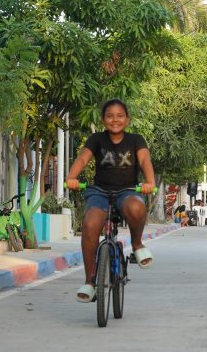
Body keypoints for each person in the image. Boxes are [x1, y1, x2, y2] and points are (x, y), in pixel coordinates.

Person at [65, 99, 156, 303]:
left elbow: (144, 160)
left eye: (120, 115)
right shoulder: (96, 139)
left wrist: (150, 182)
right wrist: (71, 177)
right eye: (110, 116)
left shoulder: (136, 139)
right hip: (99, 191)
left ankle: (137, 244)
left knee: (136, 206)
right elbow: (82, 159)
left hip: (127, 190)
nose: (115, 119)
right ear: (103, 119)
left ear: (128, 119)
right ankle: (90, 281)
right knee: (90, 224)